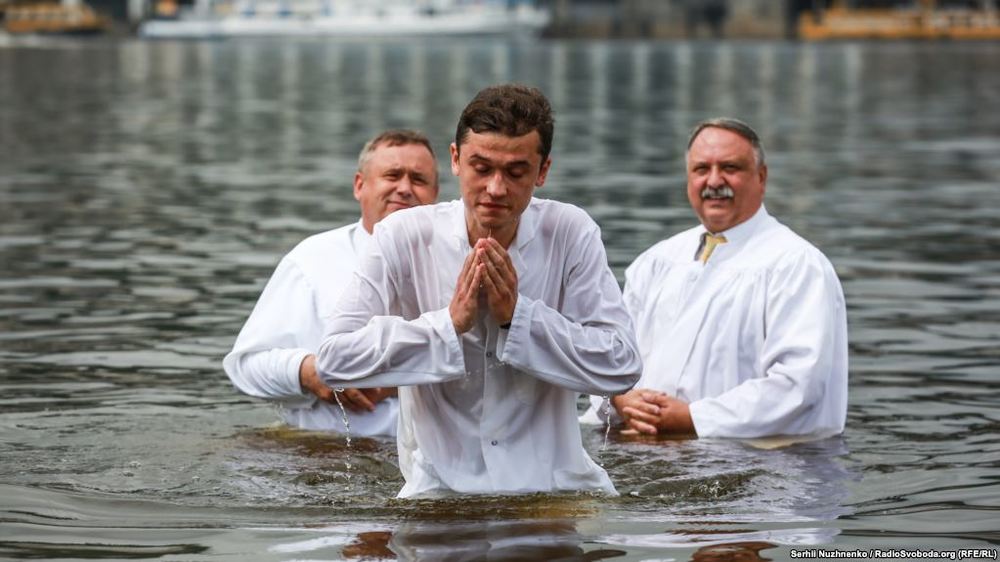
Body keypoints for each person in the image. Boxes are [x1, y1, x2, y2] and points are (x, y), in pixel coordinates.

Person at [310, 83, 642, 498]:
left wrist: (519, 319)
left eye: (516, 172)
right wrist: (447, 326)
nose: (496, 189)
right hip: (437, 490)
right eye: (481, 168)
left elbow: (621, 364)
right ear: (455, 159)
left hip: (555, 488)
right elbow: (334, 361)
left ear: (542, 171)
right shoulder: (403, 236)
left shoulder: (570, 232)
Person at [584, 117, 847, 439]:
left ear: (761, 176)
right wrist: (621, 399)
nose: (714, 181)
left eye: (730, 168)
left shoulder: (796, 266)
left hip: (759, 458)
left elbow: (799, 385)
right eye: (701, 169)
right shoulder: (656, 262)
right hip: (645, 450)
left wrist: (693, 418)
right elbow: (612, 357)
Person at [223, 129, 440, 436]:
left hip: (430, 454)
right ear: (359, 186)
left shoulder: (458, 260)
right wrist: (309, 373)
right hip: (328, 449)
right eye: (392, 176)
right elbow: (245, 368)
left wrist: (397, 380)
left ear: (435, 194)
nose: (404, 188)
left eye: (418, 180)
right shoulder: (311, 260)